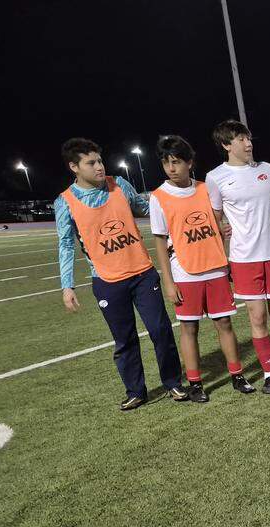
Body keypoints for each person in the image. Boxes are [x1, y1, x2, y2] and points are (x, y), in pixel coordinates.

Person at [54, 138, 186, 409]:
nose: (99, 167)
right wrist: (67, 286)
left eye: (100, 160)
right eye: (91, 163)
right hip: (107, 281)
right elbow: (65, 244)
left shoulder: (120, 185)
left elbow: (146, 208)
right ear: (74, 167)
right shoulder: (65, 202)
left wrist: (178, 205)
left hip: (142, 273)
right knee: (124, 340)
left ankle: (173, 382)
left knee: (161, 330)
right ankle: (136, 391)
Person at [149, 135, 255, 402]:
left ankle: (237, 375)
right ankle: (195, 383)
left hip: (216, 268)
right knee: (189, 329)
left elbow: (219, 221)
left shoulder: (207, 188)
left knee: (224, 324)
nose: (171, 168)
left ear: (190, 162)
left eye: (176, 162)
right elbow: (160, 242)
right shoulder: (159, 197)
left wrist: (222, 231)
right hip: (185, 271)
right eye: (166, 163)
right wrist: (169, 282)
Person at [205, 120, 270, 394]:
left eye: (249, 138)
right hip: (245, 258)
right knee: (257, 318)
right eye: (241, 139)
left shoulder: (268, 170)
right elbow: (214, 218)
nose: (248, 143)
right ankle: (269, 372)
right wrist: (220, 228)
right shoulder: (215, 177)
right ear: (226, 145)